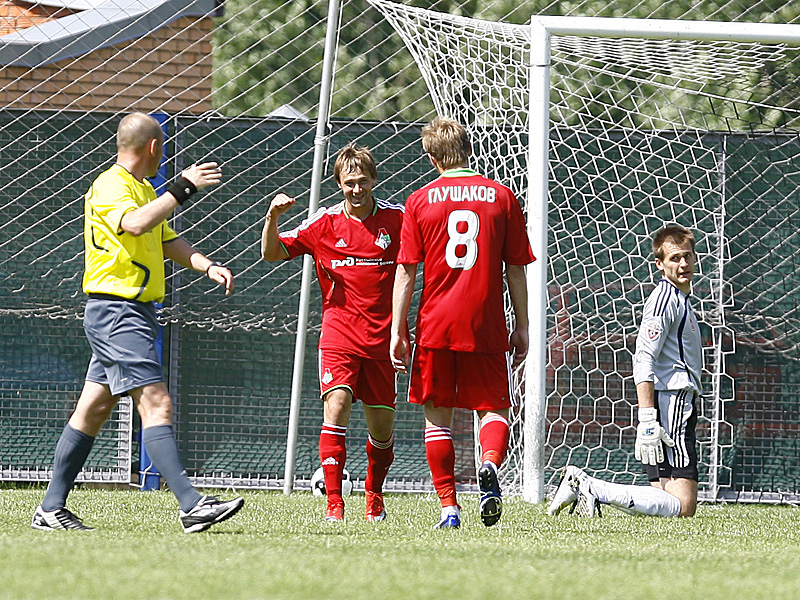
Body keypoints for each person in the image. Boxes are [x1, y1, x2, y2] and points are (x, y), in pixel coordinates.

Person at [31, 113, 244, 533]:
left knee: (93, 409)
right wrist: (183, 186)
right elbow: (134, 224)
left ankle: (50, 508)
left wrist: (206, 265)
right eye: (162, 147)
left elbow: (164, 238)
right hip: (117, 311)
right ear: (153, 147)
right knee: (156, 403)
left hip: (130, 313)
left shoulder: (143, 188)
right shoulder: (111, 184)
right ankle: (191, 504)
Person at [390, 117, 535, 529]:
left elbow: (406, 271)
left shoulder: (419, 201)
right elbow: (516, 269)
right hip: (485, 322)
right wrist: (522, 325)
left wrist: (398, 330)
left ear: (431, 157)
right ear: (469, 150)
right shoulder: (502, 197)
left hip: (435, 323)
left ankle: (449, 509)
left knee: (437, 416)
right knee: (493, 408)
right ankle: (490, 464)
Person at [261, 143, 403, 522]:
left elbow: (432, 244)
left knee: (382, 430)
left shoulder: (397, 220)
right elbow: (272, 253)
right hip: (339, 336)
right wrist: (272, 217)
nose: (356, 189)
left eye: (363, 181)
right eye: (349, 182)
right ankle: (334, 505)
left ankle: (374, 495)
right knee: (336, 407)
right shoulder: (323, 223)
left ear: (374, 180)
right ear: (339, 183)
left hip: (383, 341)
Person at [548, 225, 702, 518]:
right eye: (674, 258)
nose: (683, 264)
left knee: (665, 498)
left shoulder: (678, 299)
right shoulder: (664, 300)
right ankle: (589, 485)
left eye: (687, 256)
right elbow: (643, 358)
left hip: (669, 400)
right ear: (659, 264)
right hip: (673, 400)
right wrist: (648, 418)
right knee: (683, 506)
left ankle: (585, 487)